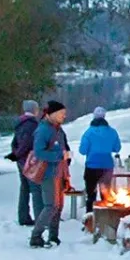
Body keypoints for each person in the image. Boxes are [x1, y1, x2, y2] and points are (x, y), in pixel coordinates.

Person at [28, 101, 71, 249]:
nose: (63, 116)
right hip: (49, 173)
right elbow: (39, 152)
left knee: (58, 206)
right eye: (61, 114)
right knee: (51, 206)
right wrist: (60, 155)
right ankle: (36, 236)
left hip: (60, 172)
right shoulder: (43, 130)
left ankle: (53, 236)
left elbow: (64, 146)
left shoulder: (58, 129)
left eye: (64, 114)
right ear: (50, 114)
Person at [78, 107, 122, 210]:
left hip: (91, 167)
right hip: (107, 167)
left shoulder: (88, 133)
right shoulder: (112, 132)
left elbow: (83, 150)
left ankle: (90, 218)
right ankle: (105, 219)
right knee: (106, 195)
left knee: (91, 196)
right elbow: (117, 148)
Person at [7, 99, 42, 227]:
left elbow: (14, 143)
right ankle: (40, 219)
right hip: (29, 161)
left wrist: (16, 154)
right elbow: (27, 143)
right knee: (36, 189)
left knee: (24, 188)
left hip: (21, 161)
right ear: (34, 110)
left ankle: (23, 216)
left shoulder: (20, 123)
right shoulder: (31, 125)